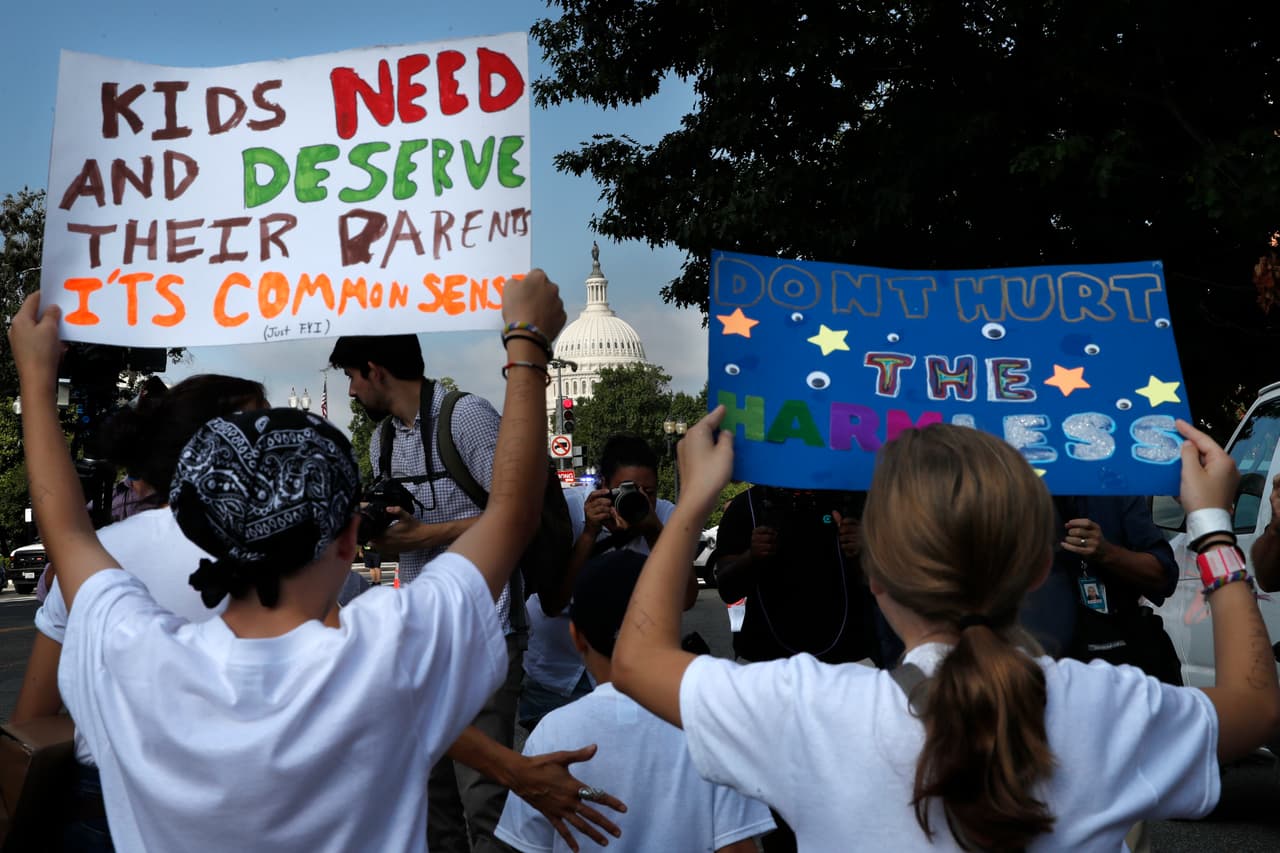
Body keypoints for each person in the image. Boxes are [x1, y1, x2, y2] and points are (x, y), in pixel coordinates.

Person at [8, 271, 568, 851]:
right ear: (350, 539)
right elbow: (514, 514)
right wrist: (525, 343)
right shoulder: (386, 652)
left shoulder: (132, 654)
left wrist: (37, 375)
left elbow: (68, 531)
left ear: (201, 530)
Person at [609, 407, 1280, 851]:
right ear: (1037, 565)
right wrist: (1212, 526)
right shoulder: (1109, 707)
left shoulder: (808, 709)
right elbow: (1255, 704)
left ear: (876, 575)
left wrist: (695, 494)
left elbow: (636, 658)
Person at [10, 373, 267, 850]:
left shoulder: (96, 556)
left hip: (101, 810)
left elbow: (31, 717)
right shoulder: (289, 563)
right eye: (263, 426)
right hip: (238, 809)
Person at [329, 332, 531, 852]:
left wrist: (425, 534)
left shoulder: (465, 417)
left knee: (485, 797)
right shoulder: (383, 441)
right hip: (418, 635)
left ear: (375, 370)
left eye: (351, 376)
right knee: (428, 798)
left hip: (484, 626)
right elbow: (399, 529)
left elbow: (514, 517)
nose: (350, 392)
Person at [496, 549, 774, 852]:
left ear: (576, 637)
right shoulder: (709, 728)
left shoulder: (551, 734)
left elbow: (528, 845)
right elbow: (737, 847)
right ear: (669, 629)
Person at [519, 435, 692, 732]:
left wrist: (653, 531)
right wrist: (588, 534)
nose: (639, 499)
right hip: (555, 671)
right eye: (625, 491)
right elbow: (553, 603)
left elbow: (687, 597)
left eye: (648, 492)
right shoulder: (570, 510)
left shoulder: (664, 516)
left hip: (631, 675)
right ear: (601, 485)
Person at [1021, 495, 1182, 684]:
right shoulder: (1009, 490)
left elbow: (1164, 577)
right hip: (1033, 662)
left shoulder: (1112, 492)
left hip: (1115, 660)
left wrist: (1107, 553)